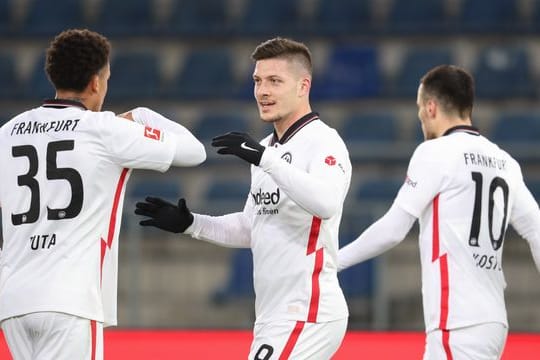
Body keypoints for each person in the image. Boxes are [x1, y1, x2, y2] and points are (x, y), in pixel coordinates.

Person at [135, 37, 351, 359]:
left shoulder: (323, 142)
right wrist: (191, 223)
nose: (263, 91)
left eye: (275, 81)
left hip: (307, 309)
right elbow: (253, 227)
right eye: (258, 81)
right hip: (273, 314)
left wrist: (265, 159)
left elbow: (327, 204)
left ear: (303, 86)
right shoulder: (268, 149)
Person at [0, 29, 206, 360]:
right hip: (70, 300)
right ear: (96, 82)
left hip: (13, 302)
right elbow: (194, 151)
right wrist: (140, 116)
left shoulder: (7, 133)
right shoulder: (105, 129)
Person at [338, 65, 540, 359]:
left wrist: (333, 262)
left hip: (456, 319)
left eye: (420, 108)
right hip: (493, 321)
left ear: (430, 107)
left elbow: (393, 230)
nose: (420, 117)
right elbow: (536, 230)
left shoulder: (435, 152)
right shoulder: (505, 161)